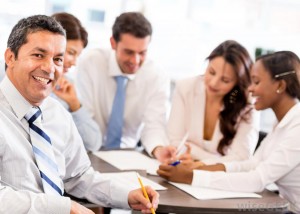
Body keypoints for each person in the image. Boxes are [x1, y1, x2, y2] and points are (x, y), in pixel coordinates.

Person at [0, 15, 159, 214]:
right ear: (10, 57)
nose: (50, 68)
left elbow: (79, 177)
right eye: (38, 55)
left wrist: (126, 195)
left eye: (58, 59)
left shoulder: (57, 113)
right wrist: (64, 208)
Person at [157, 51, 300, 213]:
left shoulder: (297, 126)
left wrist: (191, 177)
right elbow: (252, 165)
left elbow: (257, 179)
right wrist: (199, 167)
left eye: (257, 82)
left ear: (280, 85)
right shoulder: (283, 122)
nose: (250, 89)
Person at [76, 12, 170, 161]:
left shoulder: (156, 75)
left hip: (129, 154)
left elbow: (154, 124)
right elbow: (84, 116)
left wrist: (159, 149)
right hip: (89, 150)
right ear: (113, 43)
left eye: (142, 53)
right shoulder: (90, 63)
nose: (135, 60)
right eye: (129, 52)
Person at [156, 40, 259, 165]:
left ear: (237, 83)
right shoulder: (186, 87)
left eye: (225, 80)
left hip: (220, 180)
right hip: (184, 170)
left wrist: (198, 160)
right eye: (211, 72)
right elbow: (175, 141)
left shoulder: (248, 105)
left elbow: (241, 159)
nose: (213, 83)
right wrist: (215, 160)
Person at [51, 12, 101, 152]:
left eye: (77, 55)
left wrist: (74, 104)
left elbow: (93, 143)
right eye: (71, 53)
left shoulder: (67, 85)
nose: (74, 62)